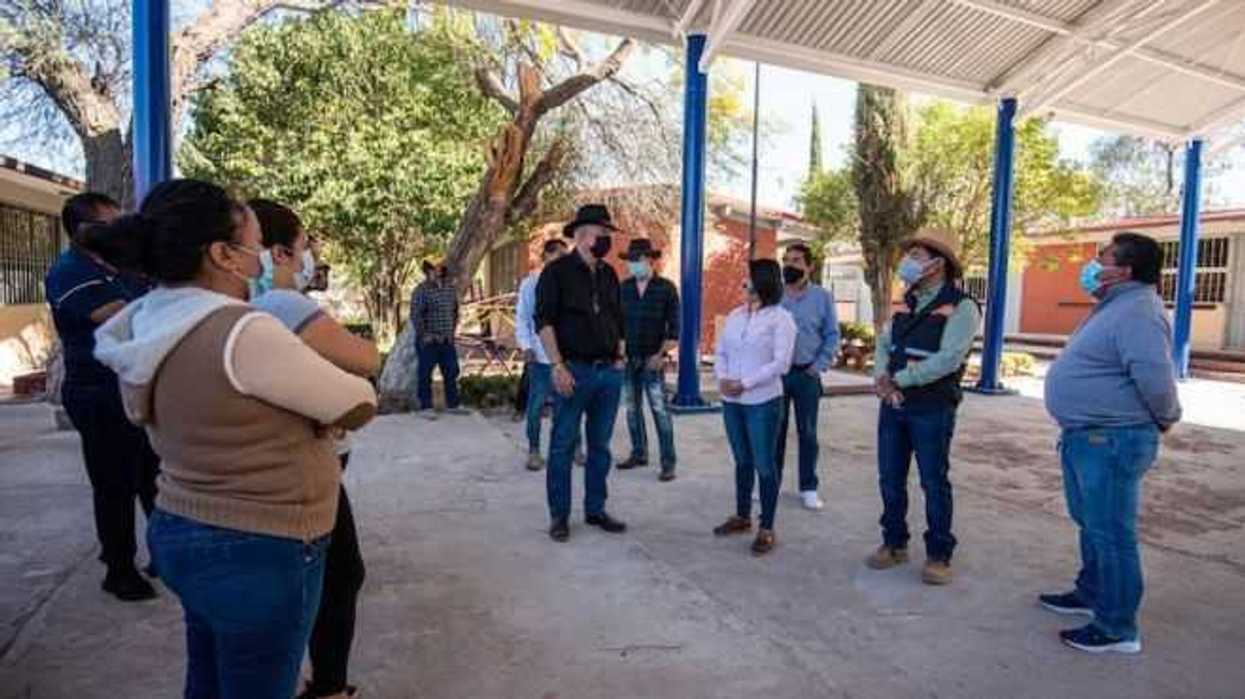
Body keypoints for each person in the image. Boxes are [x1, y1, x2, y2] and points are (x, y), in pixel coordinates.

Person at [91, 179, 377, 698]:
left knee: (208, 678)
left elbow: (152, 412)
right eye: (254, 244)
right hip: (260, 543)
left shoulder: (145, 322)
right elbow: (356, 402)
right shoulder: (242, 331)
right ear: (223, 255)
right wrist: (312, 417)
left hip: (182, 523)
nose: (261, 260)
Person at [249, 199, 380, 698]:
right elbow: (364, 359)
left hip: (264, 466)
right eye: (305, 246)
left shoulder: (228, 309)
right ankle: (327, 686)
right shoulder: (284, 305)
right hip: (301, 467)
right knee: (339, 575)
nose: (310, 257)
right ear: (280, 252)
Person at [1040, 232, 1181, 655]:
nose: (1092, 265)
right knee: (1092, 523)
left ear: (1124, 269)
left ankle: (1118, 627)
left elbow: (1155, 377)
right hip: (1088, 436)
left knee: (1112, 532)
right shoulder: (1114, 306)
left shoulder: (1138, 311)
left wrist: (1167, 417)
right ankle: (1092, 593)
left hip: (1112, 439)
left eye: (1101, 258)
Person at [44, 192, 161, 602]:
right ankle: (119, 567)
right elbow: (117, 317)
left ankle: (161, 553)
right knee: (114, 483)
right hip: (97, 391)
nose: (120, 229)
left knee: (152, 475)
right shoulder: (69, 271)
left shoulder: (125, 267)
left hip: (135, 385)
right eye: (110, 223)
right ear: (82, 231)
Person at [868, 238, 981, 586]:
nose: (907, 262)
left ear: (938, 264)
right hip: (894, 405)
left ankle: (939, 554)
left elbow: (948, 359)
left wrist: (898, 380)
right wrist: (880, 377)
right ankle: (894, 542)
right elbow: (885, 343)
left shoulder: (962, 307)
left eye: (915, 256)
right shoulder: (907, 302)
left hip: (931, 406)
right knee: (890, 477)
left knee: (933, 481)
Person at [536, 204, 627, 542]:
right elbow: (544, 322)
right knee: (562, 444)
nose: (607, 240)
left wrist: (620, 355)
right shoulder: (556, 273)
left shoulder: (608, 274)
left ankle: (595, 509)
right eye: (603, 234)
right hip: (573, 370)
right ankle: (559, 516)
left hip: (608, 374)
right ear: (583, 234)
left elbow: (618, 319)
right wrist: (557, 366)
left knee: (600, 446)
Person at [712, 260, 796, 556]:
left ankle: (767, 527)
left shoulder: (781, 319)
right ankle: (742, 516)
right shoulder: (735, 315)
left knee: (764, 464)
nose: (743, 284)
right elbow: (720, 351)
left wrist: (745, 383)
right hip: (731, 401)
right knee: (742, 461)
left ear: (763, 284)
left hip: (762, 402)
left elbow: (781, 363)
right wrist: (723, 378)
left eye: (748, 280)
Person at [776, 242, 839, 511]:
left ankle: (808, 487)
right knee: (773, 433)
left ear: (809, 266)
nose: (790, 265)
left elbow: (832, 334)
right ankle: (770, 482)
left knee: (808, 433)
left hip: (806, 375)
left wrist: (819, 365)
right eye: (787, 260)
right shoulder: (774, 295)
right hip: (776, 376)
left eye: (797, 260)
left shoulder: (822, 297)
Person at [616, 238, 680, 482]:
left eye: (638, 260)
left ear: (651, 260)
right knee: (632, 410)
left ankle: (668, 462)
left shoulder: (666, 288)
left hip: (653, 359)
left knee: (660, 411)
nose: (633, 265)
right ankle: (639, 452)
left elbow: (675, 329)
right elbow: (616, 325)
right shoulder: (624, 289)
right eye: (631, 260)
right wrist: (619, 352)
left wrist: (661, 354)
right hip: (628, 358)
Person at [516, 238, 568, 470]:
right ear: (546, 257)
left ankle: (570, 448)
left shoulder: (570, 284)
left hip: (566, 358)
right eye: (559, 256)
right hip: (539, 357)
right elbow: (523, 318)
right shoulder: (530, 284)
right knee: (536, 406)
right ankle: (534, 450)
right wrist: (526, 346)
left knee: (567, 406)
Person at [411, 259, 461, 413]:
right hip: (429, 340)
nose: (435, 272)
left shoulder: (450, 290)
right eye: (432, 270)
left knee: (451, 371)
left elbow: (454, 311)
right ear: (427, 272)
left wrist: (453, 331)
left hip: (446, 339)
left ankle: (453, 405)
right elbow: (415, 314)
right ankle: (425, 406)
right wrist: (423, 334)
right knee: (425, 374)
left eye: (438, 269)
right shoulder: (421, 290)